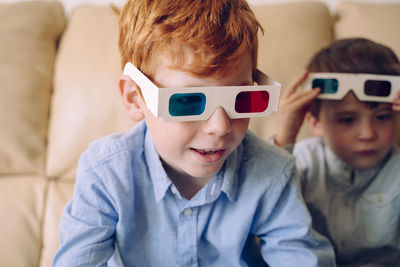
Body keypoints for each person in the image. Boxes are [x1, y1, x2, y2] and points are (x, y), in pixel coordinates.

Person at [52, 0, 335, 266]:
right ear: (135, 98)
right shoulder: (106, 172)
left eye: (241, 99)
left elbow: (299, 256)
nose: (221, 127)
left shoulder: (272, 171)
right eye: (188, 101)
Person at [273, 37, 400, 266]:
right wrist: (284, 137)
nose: (367, 133)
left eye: (383, 117)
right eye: (347, 120)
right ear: (314, 121)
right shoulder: (302, 161)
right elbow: (265, 201)